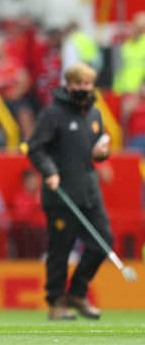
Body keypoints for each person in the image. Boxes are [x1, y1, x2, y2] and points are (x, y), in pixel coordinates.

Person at [27, 63, 112, 320]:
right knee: (60, 250)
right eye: (79, 84)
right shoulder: (53, 114)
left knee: (103, 242)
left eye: (87, 84)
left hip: (89, 192)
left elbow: (99, 149)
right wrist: (50, 171)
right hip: (61, 194)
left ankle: (77, 292)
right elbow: (36, 148)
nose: (83, 89)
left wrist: (103, 152)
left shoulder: (95, 114)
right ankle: (56, 302)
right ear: (68, 85)